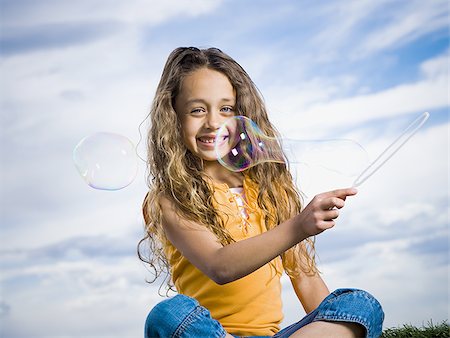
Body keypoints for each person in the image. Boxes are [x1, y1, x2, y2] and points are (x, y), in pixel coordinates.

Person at [139, 47, 384, 338]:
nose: (214, 122)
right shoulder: (171, 198)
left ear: (243, 114)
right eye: (197, 110)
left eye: (226, 109)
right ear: (174, 117)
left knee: (359, 304)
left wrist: (329, 320)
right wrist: (299, 226)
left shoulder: (271, 191)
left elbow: (305, 278)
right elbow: (220, 267)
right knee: (170, 314)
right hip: (210, 333)